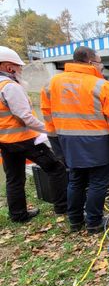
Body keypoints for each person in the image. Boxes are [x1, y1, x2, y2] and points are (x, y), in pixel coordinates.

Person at [41, 46, 109, 234]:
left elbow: (48, 117)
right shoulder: (101, 85)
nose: (101, 66)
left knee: (75, 181)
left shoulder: (52, 84)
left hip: (67, 143)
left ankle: (75, 220)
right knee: (98, 183)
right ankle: (94, 223)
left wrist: (56, 144)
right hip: (98, 143)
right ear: (90, 62)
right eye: (99, 62)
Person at [0, 46, 67, 222]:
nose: (21, 70)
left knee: (14, 178)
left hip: (5, 141)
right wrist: (49, 130)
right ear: (8, 67)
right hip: (23, 140)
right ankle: (62, 206)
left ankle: (18, 215)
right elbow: (25, 117)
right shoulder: (10, 87)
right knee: (56, 168)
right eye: (18, 66)